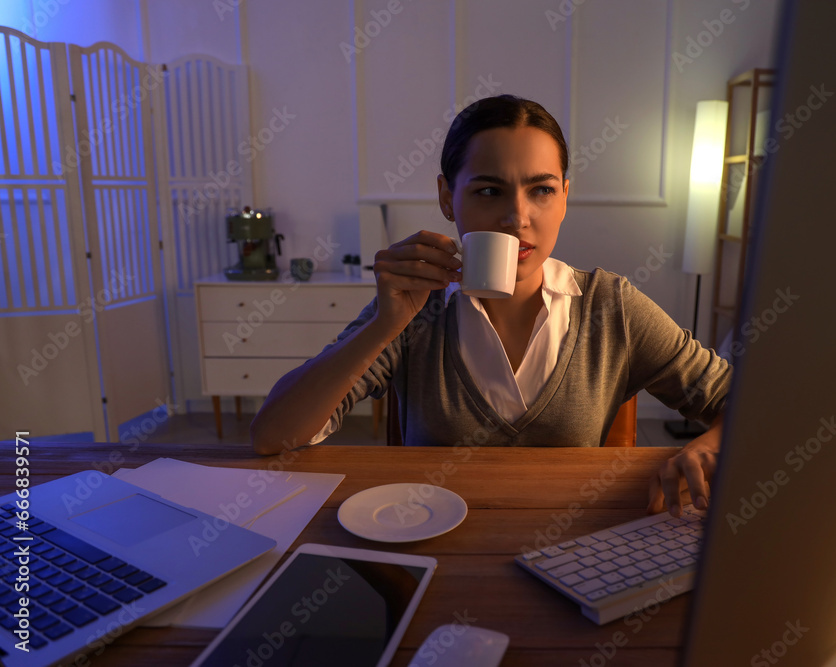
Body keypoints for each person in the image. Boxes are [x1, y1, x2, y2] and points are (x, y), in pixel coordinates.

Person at [250, 94, 731, 518]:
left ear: (565, 198)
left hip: (570, 553)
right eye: (487, 191)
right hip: (431, 549)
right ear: (447, 198)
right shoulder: (414, 308)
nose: (516, 217)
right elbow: (273, 435)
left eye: (541, 190)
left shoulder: (611, 307)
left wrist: (707, 448)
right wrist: (384, 323)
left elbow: (741, 402)